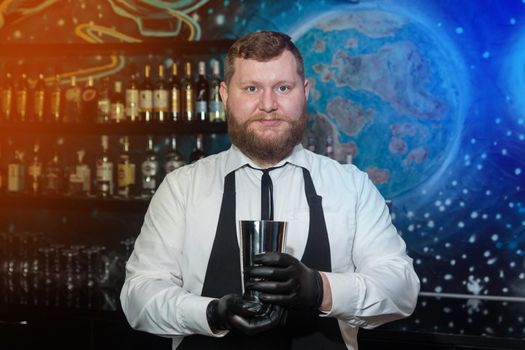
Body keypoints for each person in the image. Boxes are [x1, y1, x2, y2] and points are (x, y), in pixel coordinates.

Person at [120, 30, 420, 350]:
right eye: (251, 88)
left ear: (304, 92)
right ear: (225, 95)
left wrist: (320, 289)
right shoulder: (182, 187)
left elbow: (401, 290)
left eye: (282, 88)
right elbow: (138, 296)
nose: (267, 104)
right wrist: (211, 313)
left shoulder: (352, 186)